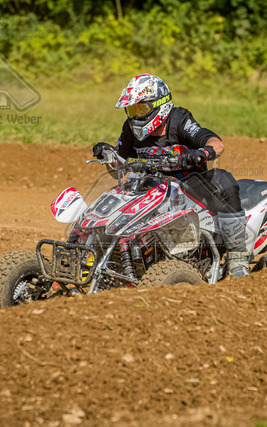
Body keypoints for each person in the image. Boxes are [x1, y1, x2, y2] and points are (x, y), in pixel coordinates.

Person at [92, 73, 250, 278]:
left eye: (141, 109)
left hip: (189, 187)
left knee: (222, 179)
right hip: (149, 188)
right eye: (132, 110)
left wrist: (201, 153)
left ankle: (238, 257)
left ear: (160, 105)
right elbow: (117, 170)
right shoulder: (130, 129)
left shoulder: (179, 119)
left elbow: (216, 143)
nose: (136, 116)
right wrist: (108, 155)